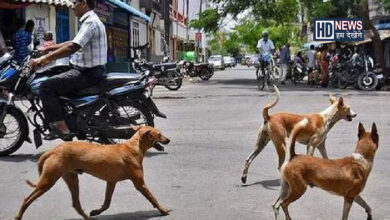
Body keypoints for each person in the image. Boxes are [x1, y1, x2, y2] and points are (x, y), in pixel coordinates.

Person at [31, 0, 107, 141]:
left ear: (83, 3)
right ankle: (69, 117)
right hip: (87, 70)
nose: (72, 6)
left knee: (46, 87)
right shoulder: (90, 20)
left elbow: (72, 47)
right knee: (53, 76)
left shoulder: (90, 22)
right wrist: (49, 49)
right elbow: (74, 41)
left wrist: (43, 59)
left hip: (87, 73)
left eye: (74, 2)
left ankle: (62, 128)